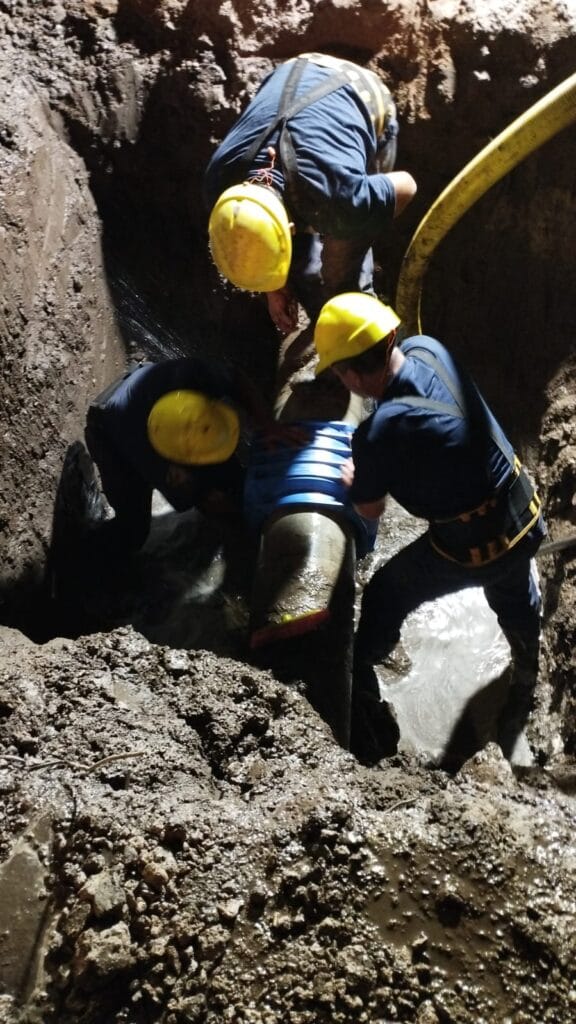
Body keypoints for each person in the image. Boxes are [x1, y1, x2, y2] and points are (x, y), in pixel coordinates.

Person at [313, 292, 547, 760]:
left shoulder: (378, 433)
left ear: (351, 374)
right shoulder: (429, 348)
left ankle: (361, 671)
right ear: (391, 336)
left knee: (386, 593)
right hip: (524, 510)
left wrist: (355, 479)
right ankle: (525, 671)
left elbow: (371, 510)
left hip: (473, 545)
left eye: (338, 371)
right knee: (511, 590)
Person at [204, 52, 417, 334]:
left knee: (342, 270)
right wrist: (272, 287)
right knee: (315, 247)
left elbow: (406, 185)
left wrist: (346, 243)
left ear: (291, 228)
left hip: (364, 95)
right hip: (292, 72)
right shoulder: (218, 183)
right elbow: (248, 238)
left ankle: (356, 321)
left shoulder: (341, 198)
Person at [82, 356, 285, 560]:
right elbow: (207, 502)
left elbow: (235, 378)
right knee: (133, 531)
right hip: (109, 434)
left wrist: (268, 425)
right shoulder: (159, 462)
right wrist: (249, 532)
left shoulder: (191, 376)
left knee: (230, 480)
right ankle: (81, 555)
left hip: (143, 390)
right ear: (179, 459)